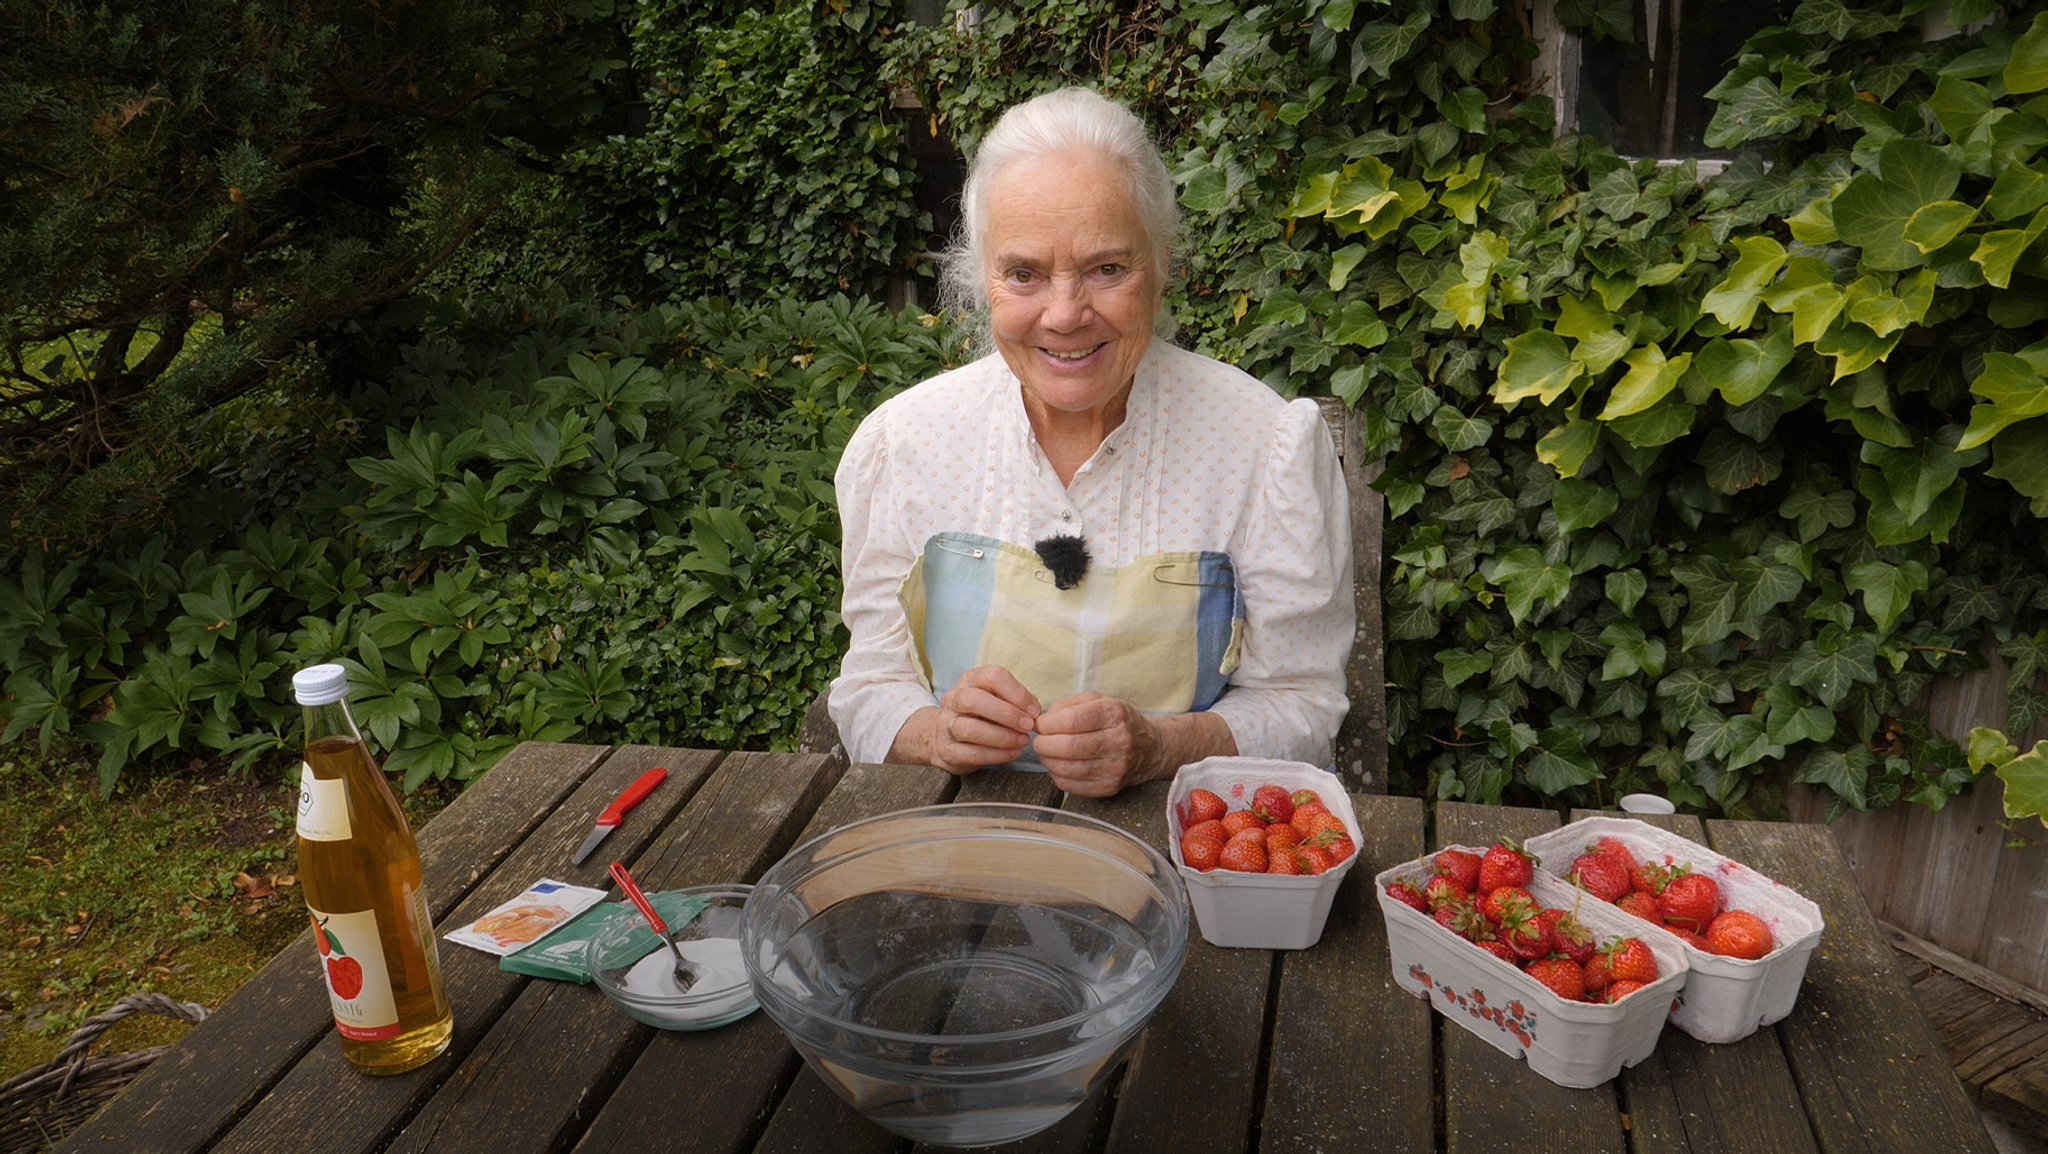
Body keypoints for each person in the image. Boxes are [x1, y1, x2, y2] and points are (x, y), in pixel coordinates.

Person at [829, 86, 1353, 798]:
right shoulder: (903, 444)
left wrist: (1160, 746)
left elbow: (1304, 703)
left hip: (1185, 851)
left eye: (1107, 268)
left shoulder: (1263, 447)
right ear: (980, 281)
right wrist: (933, 732)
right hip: (961, 850)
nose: (1065, 314)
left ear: (1162, 267)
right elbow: (872, 687)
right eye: (1024, 274)